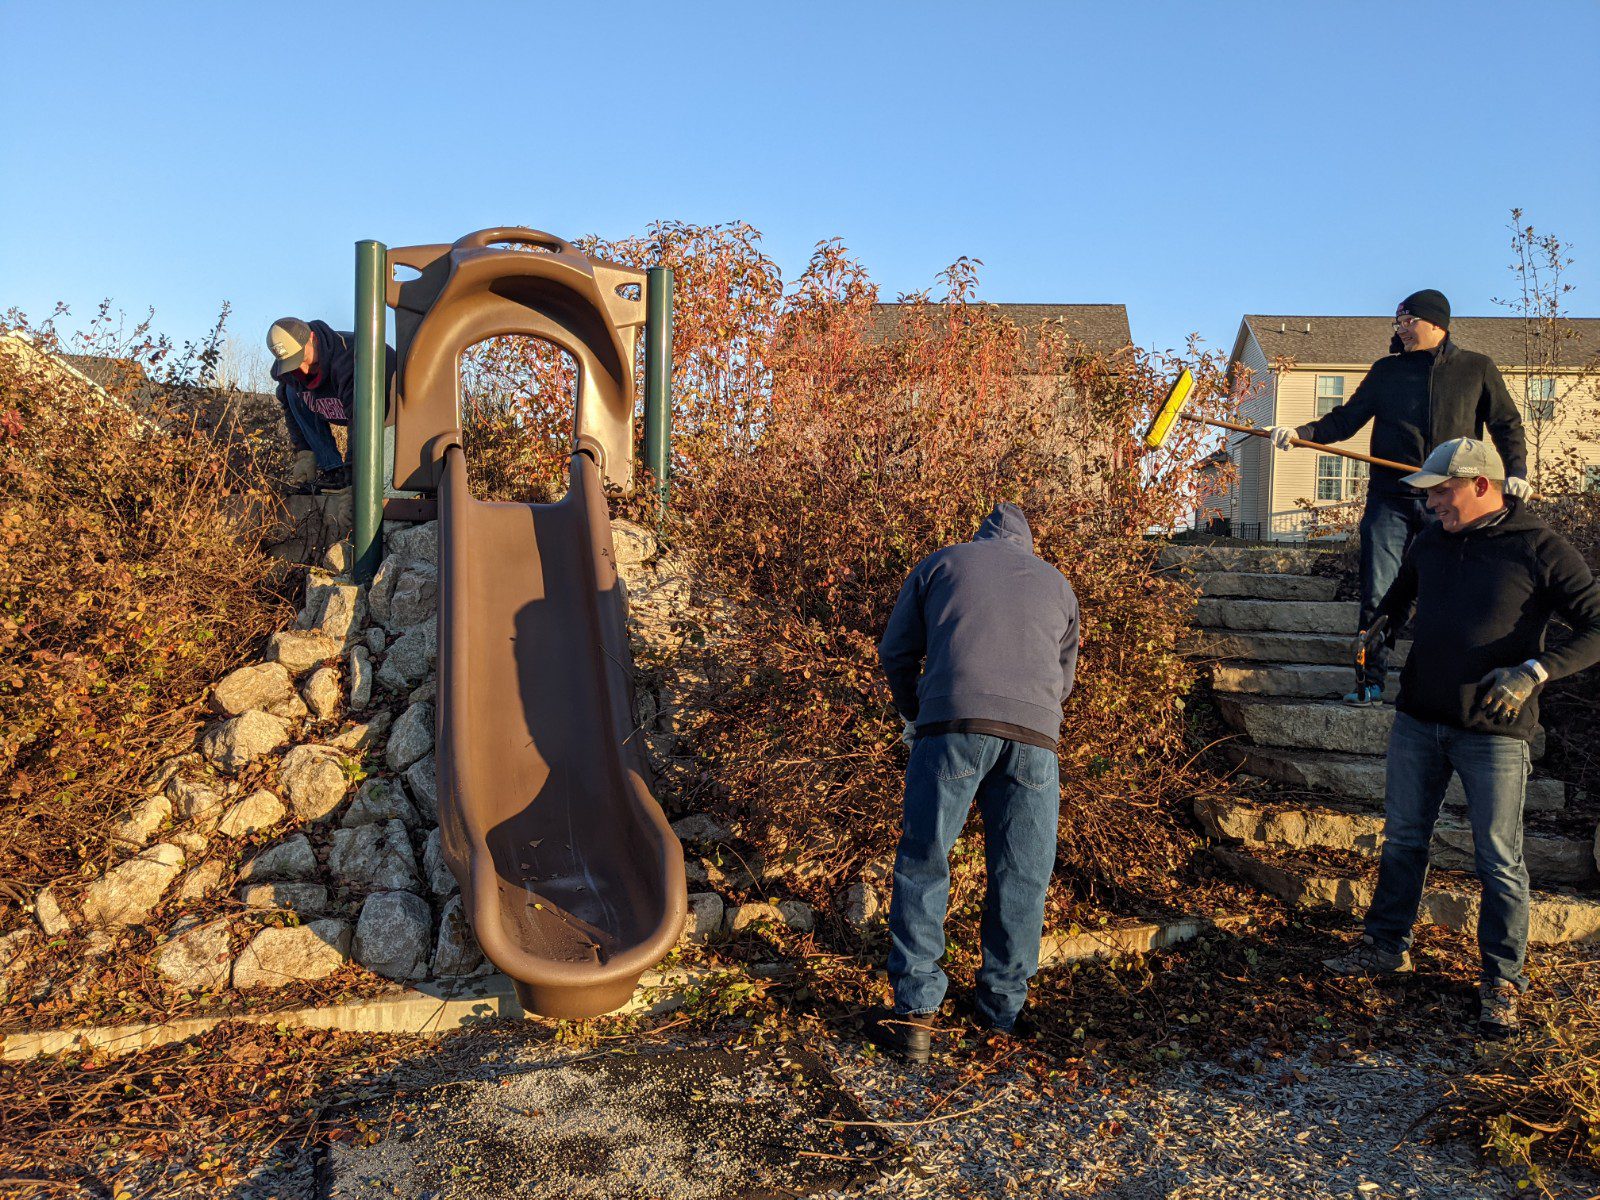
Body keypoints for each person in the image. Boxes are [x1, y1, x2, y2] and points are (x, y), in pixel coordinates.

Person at [1324, 438, 1600, 1038]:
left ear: (1480, 484)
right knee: (1402, 839)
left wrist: (1536, 672)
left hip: (1495, 734)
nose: (1432, 504)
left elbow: (1597, 625)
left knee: (1499, 860)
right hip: (1419, 719)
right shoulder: (1431, 540)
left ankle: (1502, 981)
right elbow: (1401, 596)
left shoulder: (1540, 548)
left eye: (1442, 492)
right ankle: (1385, 946)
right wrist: (1381, 626)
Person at [873, 502, 1080, 1064]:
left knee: (925, 860)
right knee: (1022, 873)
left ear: (981, 536)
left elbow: (896, 651)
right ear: (1027, 546)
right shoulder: (1058, 584)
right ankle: (1002, 1012)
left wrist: (916, 712)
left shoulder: (942, 564)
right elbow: (1064, 680)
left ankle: (916, 1014)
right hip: (1036, 737)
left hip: (952, 724)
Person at [1268, 290, 1531, 705]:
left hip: (1450, 501)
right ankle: (1369, 680)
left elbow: (1506, 424)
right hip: (1390, 499)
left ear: (1436, 324)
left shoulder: (1476, 368)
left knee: (1450, 593)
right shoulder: (1386, 372)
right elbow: (1346, 419)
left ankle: (1446, 687)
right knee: (1379, 592)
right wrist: (1303, 434)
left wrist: (1516, 472)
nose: (1401, 329)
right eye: (1398, 322)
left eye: (1408, 321)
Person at [268, 317, 395, 494]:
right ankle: (332, 471)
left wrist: (354, 480)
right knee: (291, 391)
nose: (302, 369)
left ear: (312, 338)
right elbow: (289, 406)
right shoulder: (288, 371)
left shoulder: (352, 358)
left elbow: (361, 422)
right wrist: (304, 451)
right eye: (292, 363)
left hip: (386, 418)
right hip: (344, 409)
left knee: (382, 486)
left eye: (301, 357)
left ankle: (352, 477)